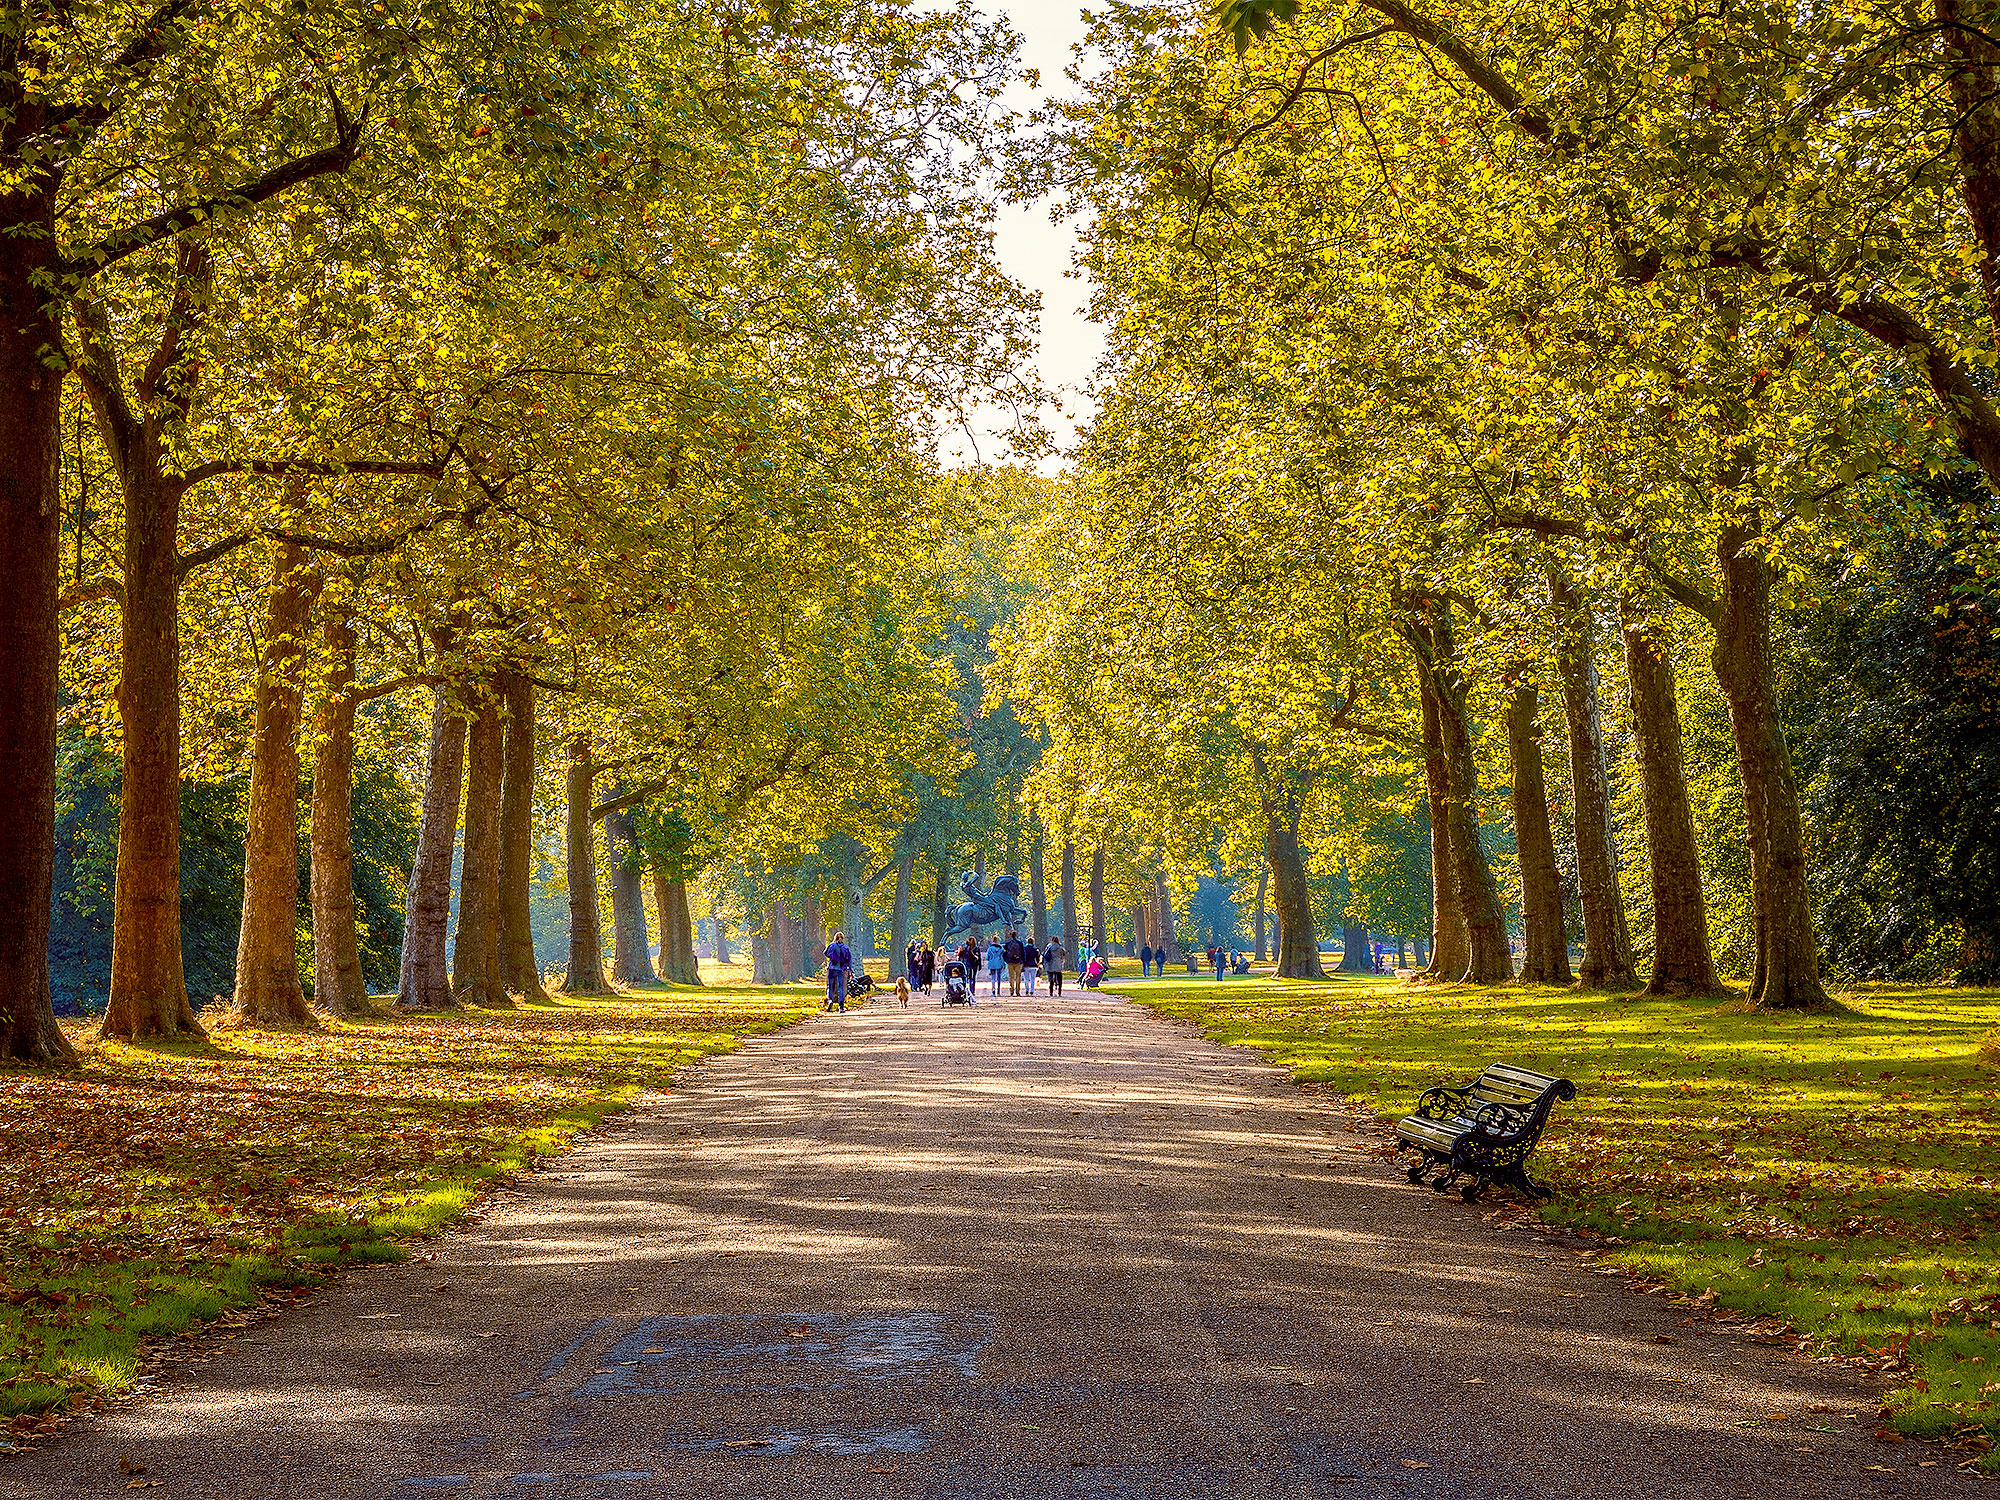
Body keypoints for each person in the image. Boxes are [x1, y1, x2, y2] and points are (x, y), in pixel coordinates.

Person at [823, 931, 854, 1012]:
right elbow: (849, 960)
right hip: (841, 970)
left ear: (835, 938)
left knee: (830, 987)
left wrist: (831, 958)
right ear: (842, 938)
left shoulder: (831, 945)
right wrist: (850, 970)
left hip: (831, 969)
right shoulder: (846, 948)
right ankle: (841, 1007)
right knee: (840, 987)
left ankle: (830, 1001)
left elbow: (825, 953)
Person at [1003, 929, 1026, 996]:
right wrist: (1023, 961)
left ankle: (1011, 990)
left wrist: (1006, 960)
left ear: (1010, 935)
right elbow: (1023, 952)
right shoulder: (1020, 943)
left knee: (1011, 977)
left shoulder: (1007, 943)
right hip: (1018, 961)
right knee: (1018, 976)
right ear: (1016, 935)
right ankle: (1018, 991)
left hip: (1010, 962)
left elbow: (1004, 953)